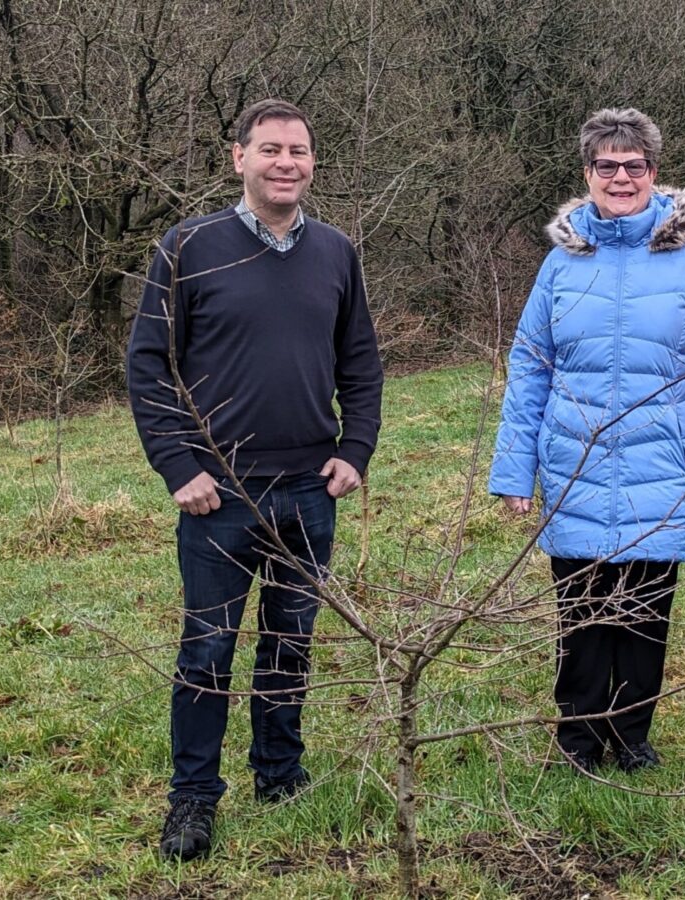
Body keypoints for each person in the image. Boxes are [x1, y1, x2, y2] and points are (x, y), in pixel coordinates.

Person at [126, 98, 384, 860]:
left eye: (299, 151)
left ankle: (280, 771)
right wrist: (179, 466)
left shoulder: (336, 251)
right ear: (238, 157)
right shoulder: (187, 247)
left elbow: (361, 362)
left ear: (312, 163)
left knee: (290, 641)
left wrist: (355, 450)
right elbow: (149, 365)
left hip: (310, 485)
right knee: (207, 652)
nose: (286, 163)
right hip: (220, 495)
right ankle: (193, 800)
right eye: (270, 149)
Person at [490, 108, 685, 775]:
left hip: (662, 464)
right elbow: (530, 367)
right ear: (588, 174)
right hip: (574, 464)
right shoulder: (560, 263)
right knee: (580, 616)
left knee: (642, 615)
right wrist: (514, 471)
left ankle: (631, 737)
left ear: (654, 174)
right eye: (608, 165)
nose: (622, 176)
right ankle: (578, 741)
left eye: (634, 165)